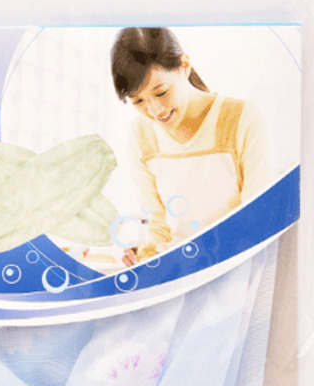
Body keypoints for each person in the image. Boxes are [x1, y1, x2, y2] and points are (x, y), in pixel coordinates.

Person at [111, 27, 270, 266]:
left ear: (184, 66)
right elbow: (159, 225)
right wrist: (146, 256)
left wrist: (195, 256)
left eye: (161, 92)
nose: (155, 110)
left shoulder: (242, 119)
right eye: (138, 101)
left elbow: (255, 220)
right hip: (180, 273)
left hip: (235, 267)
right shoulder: (140, 134)